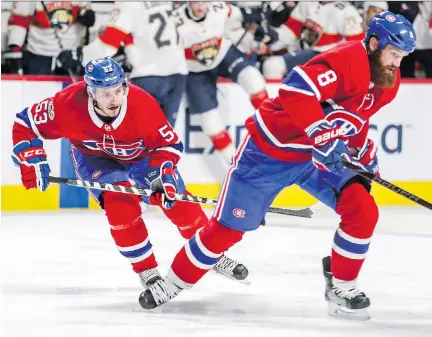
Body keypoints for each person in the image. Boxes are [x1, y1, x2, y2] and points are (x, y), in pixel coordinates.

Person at [138, 11, 416, 321]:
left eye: (403, 56)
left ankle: (342, 285)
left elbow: (357, 117)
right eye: (394, 53)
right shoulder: (348, 59)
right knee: (227, 231)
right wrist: (318, 132)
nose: (397, 62)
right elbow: (295, 90)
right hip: (268, 153)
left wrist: (361, 151)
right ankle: (172, 283)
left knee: (362, 208)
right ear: (374, 44)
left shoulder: (387, 80)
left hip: (315, 159)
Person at [11, 57, 249, 291]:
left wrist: (161, 176)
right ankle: (147, 270)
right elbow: (25, 122)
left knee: (177, 201)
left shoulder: (141, 104)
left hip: (143, 157)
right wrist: (31, 157)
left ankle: (212, 255)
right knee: (120, 205)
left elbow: (168, 146)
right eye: (105, 94)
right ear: (91, 92)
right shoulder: (68, 103)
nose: (114, 99)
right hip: (96, 160)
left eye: (118, 90)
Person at [57, 1, 187, 126]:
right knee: (165, 137)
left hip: (148, 75)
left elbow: (108, 44)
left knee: (139, 135)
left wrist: (79, 55)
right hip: (178, 73)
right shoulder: (168, 2)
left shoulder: (129, 5)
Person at [174, 1, 269, 163]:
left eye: (205, 2)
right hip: (194, 70)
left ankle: (273, 129)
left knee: (254, 79)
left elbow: (244, 15)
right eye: (197, 2)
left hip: (223, 54)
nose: (201, 7)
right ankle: (237, 164)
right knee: (210, 123)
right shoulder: (175, 20)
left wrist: (262, 27)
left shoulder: (218, 8)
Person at [262, 1, 364, 79]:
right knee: (271, 66)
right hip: (304, 53)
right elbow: (291, 31)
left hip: (328, 59)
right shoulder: (307, 3)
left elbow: (357, 47)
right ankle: (278, 104)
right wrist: (271, 39)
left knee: (272, 65)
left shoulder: (347, 11)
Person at [5, 1, 95, 75]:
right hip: (39, 55)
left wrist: (87, 16)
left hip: (71, 55)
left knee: (70, 95)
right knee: (39, 95)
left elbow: (85, 11)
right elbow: (19, 22)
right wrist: (15, 46)